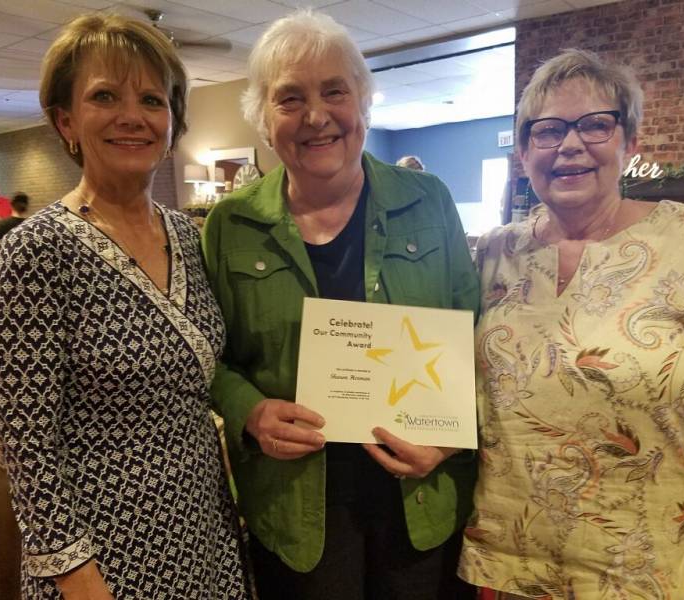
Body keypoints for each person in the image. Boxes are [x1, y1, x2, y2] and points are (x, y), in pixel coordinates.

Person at [457, 48, 684, 599]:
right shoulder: (495, 252)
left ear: (630, 142)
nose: (570, 145)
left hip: (649, 569)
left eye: (596, 125)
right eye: (548, 130)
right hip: (505, 565)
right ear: (525, 152)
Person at [203, 10, 479, 600]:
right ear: (263, 119)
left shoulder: (428, 200)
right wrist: (250, 410)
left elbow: (478, 337)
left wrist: (453, 436)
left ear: (364, 101)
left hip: (420, 495)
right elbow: (210, 356)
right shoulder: (232, 223)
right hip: (295, 503)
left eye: (335, 91)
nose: (317, 115)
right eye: (290, 98)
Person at [0, 13, 251, 600]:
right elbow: (27, 448)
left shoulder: (187, 237)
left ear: (172, 122)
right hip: (101, 561)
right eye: (105, 96)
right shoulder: (37, 252)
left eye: (152, 99)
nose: (132, 116)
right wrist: (78, 578)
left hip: (201, 536)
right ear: (66, 120)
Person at [0, 191, 29, 265]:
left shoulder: (0, 225)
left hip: (5, 266)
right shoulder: (30, 225)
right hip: (25, 265)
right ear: (26, 207)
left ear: (11, 205)